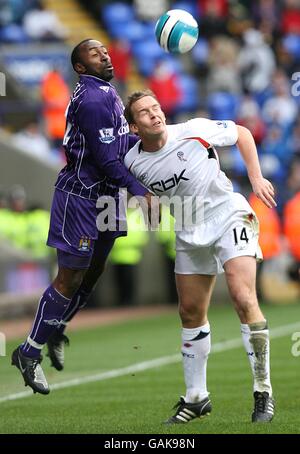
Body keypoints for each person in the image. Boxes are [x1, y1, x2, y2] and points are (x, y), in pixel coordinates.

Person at [124, 90, 276, 424]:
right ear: (134, 128)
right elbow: (148, 199)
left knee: (242, 295)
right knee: (190, 312)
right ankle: (196, 399)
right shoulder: (132, 162)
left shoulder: (193, 129)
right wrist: (148, 209)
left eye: (156, 107)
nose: (154, 114)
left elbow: (243, 133)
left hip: (229, 215)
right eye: (145, 113)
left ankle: (263, 390)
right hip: (188, 230)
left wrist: (255, 177)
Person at [11, 39, 154, 395]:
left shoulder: (108, 91)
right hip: (82, 197)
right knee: (70, 278)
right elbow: (106, 160)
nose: (104, 55)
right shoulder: (92, 100)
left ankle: (56, 328)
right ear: (80, 67)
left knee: (92, 273)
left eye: (105, 50)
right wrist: (139, 190)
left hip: (107, 196)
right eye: (95, 53)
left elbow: (119, 146)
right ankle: (28, 352)